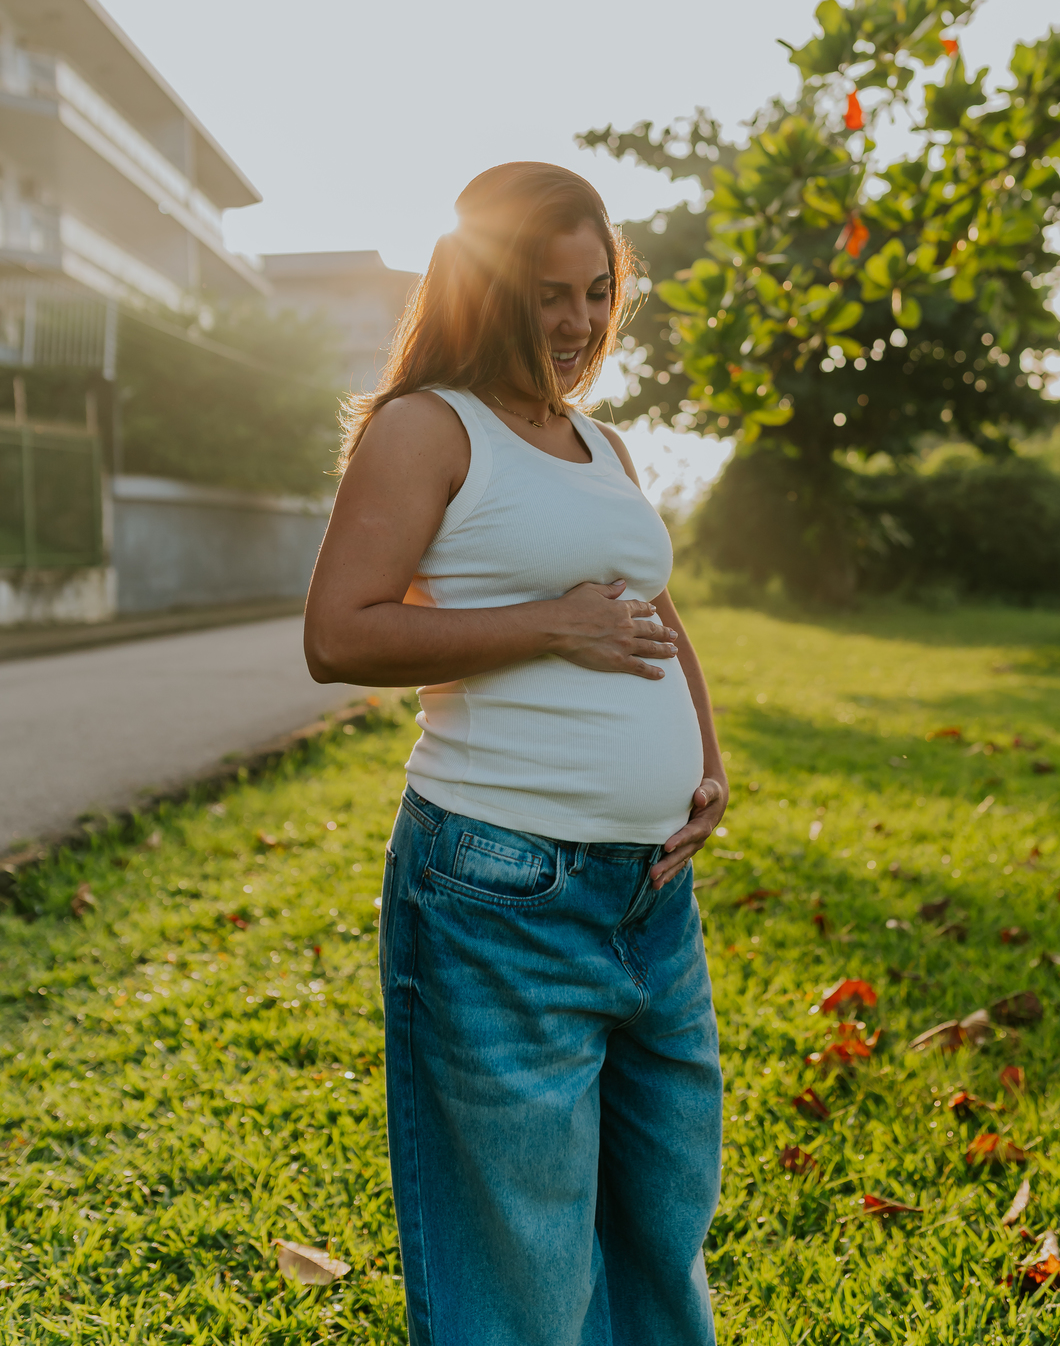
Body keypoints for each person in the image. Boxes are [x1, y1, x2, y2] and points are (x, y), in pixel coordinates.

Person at [304, 161, 728, 1346]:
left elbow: (654, 609)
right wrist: (552, 625)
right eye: (551, 293)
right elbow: (339, 634)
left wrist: (707, 759)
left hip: (649, 897)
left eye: (597, 291)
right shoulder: (426, 428)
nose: (581, 321)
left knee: (657, 1228)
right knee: (520, 1270)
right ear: (485, 286)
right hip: (500, 890)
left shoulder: (603, 443)